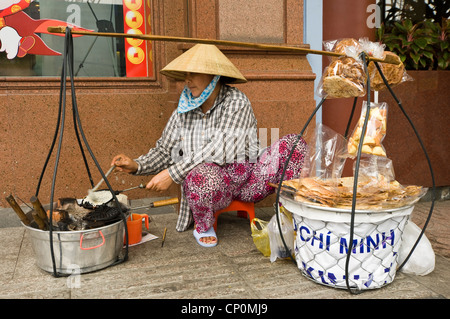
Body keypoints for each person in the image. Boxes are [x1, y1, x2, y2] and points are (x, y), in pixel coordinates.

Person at [112, 44, 307, 247]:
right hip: (213, 186)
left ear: (214, 76)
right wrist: (137, 165)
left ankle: (290, 218)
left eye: (194, 73)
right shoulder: (185, 108)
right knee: (199, 174)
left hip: (250, 180)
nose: (188, 80)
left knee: (294, 145)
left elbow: (221, 148)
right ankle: (204, 225)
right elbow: (165, 150)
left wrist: (171, 174)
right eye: (186, 74)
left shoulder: (236, 101)